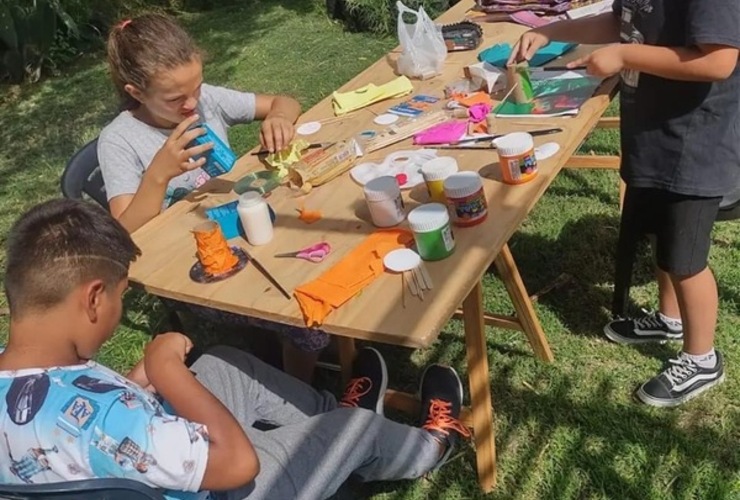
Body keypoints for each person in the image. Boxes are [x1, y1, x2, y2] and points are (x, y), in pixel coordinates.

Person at [0, 199, 470, 500]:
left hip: (153, 461)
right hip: (225, 485)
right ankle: (427, 447)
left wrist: (134, 380)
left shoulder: (22, 374)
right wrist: (165, 370)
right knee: (355, 428)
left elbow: (76, 423)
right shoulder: (110, 421)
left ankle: (329, 424)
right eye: (121, 297)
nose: (119, 309)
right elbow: (237, 465)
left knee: (224, 361)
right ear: (94, 298)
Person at [509, 0, 740, 407]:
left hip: (698, 141)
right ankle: (669, 319)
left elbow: (719, 61)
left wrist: (624, 55)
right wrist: (553, 31)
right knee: (658, 232)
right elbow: (621, 19)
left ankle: (702, 358)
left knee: (685, 259)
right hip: (654, 132)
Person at [97, 13, 328, 382]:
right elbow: (123, 231)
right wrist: (159, 174)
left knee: (323, 249)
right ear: (136, 93)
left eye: (197, 88)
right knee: (306, 318)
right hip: (193, 267)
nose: (192, 105)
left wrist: (279, 119)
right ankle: (300, 392)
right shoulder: (120, 140)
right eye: (176, 99)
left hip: (241, 225)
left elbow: (283, 101)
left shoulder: (205, 101)